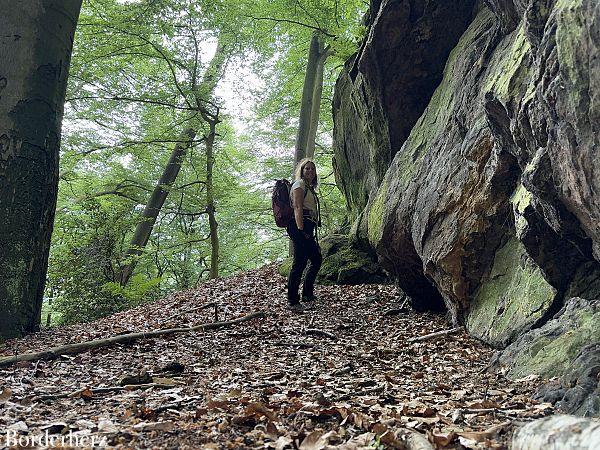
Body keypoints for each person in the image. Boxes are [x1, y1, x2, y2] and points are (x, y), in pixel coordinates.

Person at [287, 158, 322, 311]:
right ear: (301, 170)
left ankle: (307, 293)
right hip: (299, 226)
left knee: (316, 259)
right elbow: (297, 208)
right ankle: (293, 301)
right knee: (299, 262)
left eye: (312, 169)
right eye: (307, 168)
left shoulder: (308, 187)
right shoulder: (299, 185)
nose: (310, 171)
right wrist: (301, 230)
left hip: (307, 225)